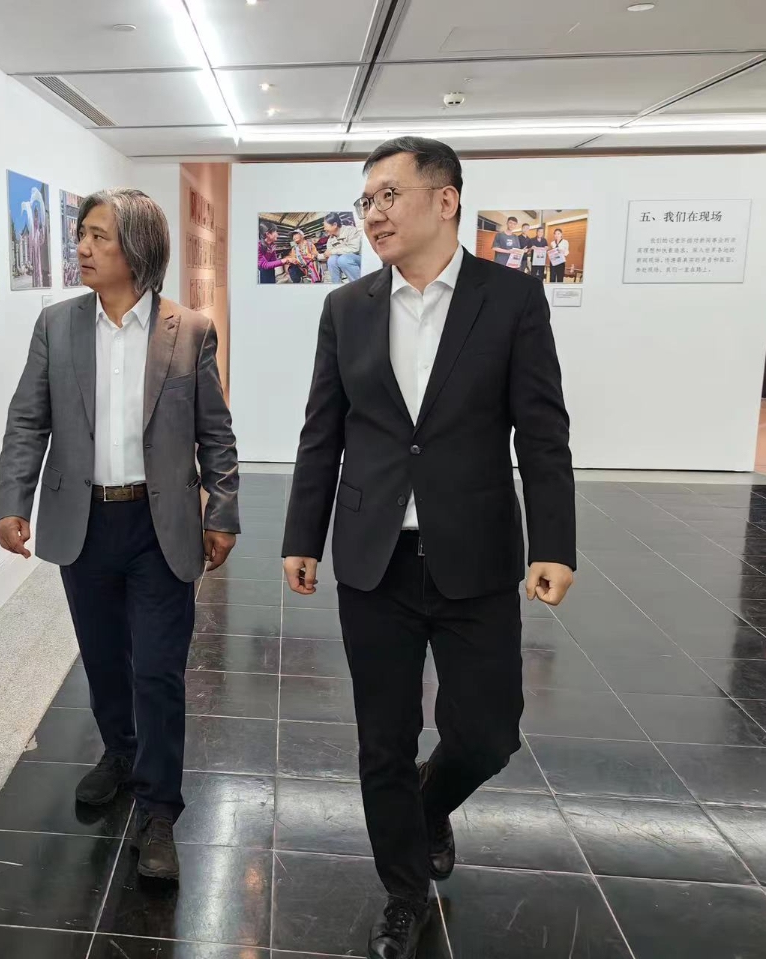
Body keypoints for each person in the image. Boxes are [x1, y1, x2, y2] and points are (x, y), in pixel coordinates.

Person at [282, 136, 575, 959]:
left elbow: (543, 433)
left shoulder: (511, 300)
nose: (372, 212)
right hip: (373, 555)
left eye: (388, 195)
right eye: (364, 200)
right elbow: (322, 433)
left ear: (445, 200)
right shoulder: (347, 308)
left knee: (487, 732)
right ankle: (404, 890)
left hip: (475, 550)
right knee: (383, 735)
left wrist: (555, 542)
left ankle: (425, 804)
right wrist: (302, 535)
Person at [0, 188, 239, 882]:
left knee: (157, 670)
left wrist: (222, 510)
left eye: (99, 236)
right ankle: (120, 752)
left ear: (136, 247)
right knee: (103, 659)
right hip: (85, 523)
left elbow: (216, 434)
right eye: (82, 235)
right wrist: (13, 499)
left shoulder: (187, 330)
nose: (82, 247)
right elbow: (27, 421)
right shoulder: (57, 327)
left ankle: (159, 809)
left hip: (160, 525)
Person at [321, 212, 362, 283]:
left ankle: (359, 285)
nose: (324, 229)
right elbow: (328, 253)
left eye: (325, 226)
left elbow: (354, 249)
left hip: (359, 259)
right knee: (331, 260)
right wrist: (324, 255)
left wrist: (332, 252)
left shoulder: (350, 230)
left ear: (334, 225)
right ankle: (337, 286)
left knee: (343, 259)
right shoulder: (330, 239)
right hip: (344, 260)